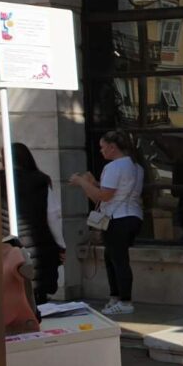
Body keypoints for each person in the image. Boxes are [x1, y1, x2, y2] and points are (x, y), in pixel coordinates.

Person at [69, 130, 145, 315]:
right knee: (112, 258)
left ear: (112, 147)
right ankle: (116, 297)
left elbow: (103, 196)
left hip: (118, 218)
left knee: (118, 259)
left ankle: (125, 301)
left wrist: (81, 182)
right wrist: (92, 183)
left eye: (103, 148)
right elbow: (110, 193)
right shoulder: (136, 166)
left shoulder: (115, 166)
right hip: (131, 215)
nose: (101, 151)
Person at [0, 143, 65, 305]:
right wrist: (61, 245)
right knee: (39, 301)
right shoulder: (40, 180)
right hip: (40, 245)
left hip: (7, 246)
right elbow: (53, 215)